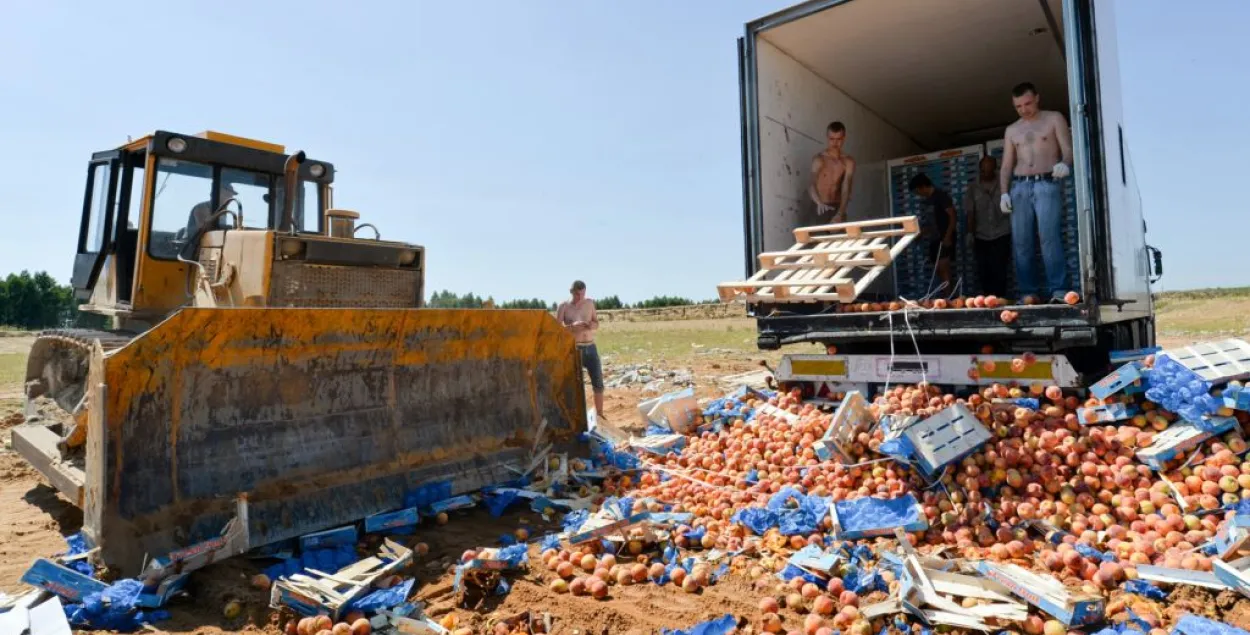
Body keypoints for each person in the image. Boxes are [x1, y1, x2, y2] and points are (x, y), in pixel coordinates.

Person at [999, 81, 1073, 303]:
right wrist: (1004, 192)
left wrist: (1065, 164)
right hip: (1019, 186)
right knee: (1021, 242)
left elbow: (1068, 150)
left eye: (1027, 103)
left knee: (1049, 238)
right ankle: (1028, 292)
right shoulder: (1012, 130)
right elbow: (1006, 165)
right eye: (1018, 106)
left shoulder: (1054, 118)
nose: (1024, 109)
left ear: (1037, 98)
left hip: (1046, 183)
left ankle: (1058, 291)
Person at [556, 280, 604, 419]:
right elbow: (556, 330)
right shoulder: (563, 306)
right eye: (577, 294)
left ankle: (600, 416)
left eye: (583, 294)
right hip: (574, 349)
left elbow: (596, 323)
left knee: (598, 381)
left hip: (590, 346)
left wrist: (589, 325)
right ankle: (575, 417)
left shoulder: (589, 303)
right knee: (574, 385)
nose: (580, 297)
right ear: (571, 292)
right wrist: (571, 327)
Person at [965, 155, 1012, 297]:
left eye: (989, 170)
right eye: (984, 171)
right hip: (981, 235)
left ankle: (1000, 299)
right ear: (980, 170)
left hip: (1002, 232)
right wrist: (970, 233)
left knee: (1000, 268)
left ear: (995, 169)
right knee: (983, 270)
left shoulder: (1004, 183)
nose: (986, 173)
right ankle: (988, 298)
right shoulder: (973, 188)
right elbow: (970, 212)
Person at [908, 173, 956, 289]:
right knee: (939, 271)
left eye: (917, 191)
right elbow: (931, 223)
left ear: (922, 186)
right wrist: (921, 234)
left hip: (944, 237)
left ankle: (949, 299)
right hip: (934, 240)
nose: (918, 195)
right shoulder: (927, 201)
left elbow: (953, 216)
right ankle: (947, 297)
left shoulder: (941, 196)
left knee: (943, 268)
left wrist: (948, 237)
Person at [808, 121, 857, 223]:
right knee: (818, 238)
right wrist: (819, 203)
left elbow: (847, 187)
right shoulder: (820, 159)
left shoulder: (848, 162)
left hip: (837, 207)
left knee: (841, 238)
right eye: (831, 139)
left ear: (844, 138)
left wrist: (841, 212)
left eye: (838, 139)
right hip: (820, 206)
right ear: (827, 137)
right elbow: (811, 184)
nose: (835, 143)